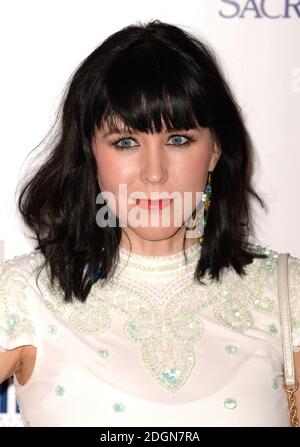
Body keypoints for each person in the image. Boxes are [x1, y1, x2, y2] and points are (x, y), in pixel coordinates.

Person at [0, 19, 299, 428]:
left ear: (214, 151)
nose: (154, 173)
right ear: (91, 155)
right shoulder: (24, 295)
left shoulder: (286, 292)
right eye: (126, 142)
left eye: (178, 140)